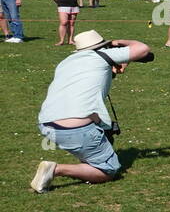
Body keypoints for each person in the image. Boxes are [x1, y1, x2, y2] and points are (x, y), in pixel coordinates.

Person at [30, 30, 154, 192]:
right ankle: (55, 169)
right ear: (102, 46)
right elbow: (143, 49)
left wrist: (117, 64)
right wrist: (117, 42)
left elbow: (92, 77)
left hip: (47, 124)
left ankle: (90, 160)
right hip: (74, 129)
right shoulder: (101, 56)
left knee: (104, 126)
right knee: (108, 170)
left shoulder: (66, 62)